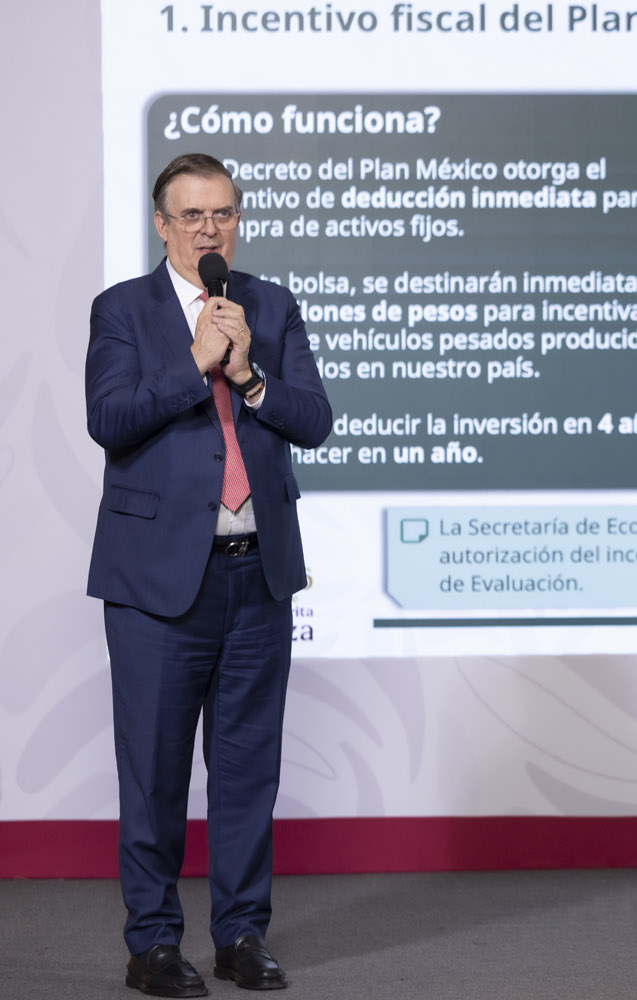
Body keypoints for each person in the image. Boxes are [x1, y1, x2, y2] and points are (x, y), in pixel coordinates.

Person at [86, 153, 331, 996]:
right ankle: (154, 944)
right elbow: (109, 419)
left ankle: (241, 935)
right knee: (153, 774)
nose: (209, 229)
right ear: (162, 225)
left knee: (247, 772)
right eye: (191, 215)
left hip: (257, 576)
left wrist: (251, 376)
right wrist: (193, 363)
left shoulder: (271, 305)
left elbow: (316, 421)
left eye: (222, 213)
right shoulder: (123, 309)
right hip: (157, 587)